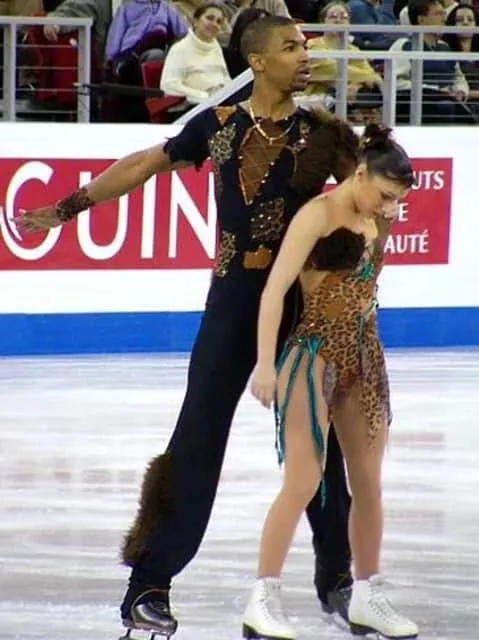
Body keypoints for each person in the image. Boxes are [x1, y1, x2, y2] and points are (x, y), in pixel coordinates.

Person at [15, 15, 359, 640]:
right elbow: (144, 163)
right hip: (233, 307)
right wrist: (68, 207)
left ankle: (338, 577)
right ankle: (149, 584)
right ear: (257, 62)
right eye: (290, 47)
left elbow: (375, 194)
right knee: (196, 439)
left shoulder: (324, 134)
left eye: (304, 46)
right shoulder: (218, 126)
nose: (305, 56)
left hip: (305, 309)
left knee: (320, 442)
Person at [243, 124, 419, 640]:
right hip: (313, 357)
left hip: (364, 358)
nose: (389, 207)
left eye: (397, 201)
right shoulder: (316, 216)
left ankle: (366, 595)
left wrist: (384, 220)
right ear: (360, 174)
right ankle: (262, 598)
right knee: (302, 481)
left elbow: (367, 280)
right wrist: (264, 364)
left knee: (368, 485)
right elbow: (274, 290)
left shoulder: (375, 218)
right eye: (384, 195)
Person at [160, 3, 231, 104]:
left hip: (220, 103)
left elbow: (226, 78)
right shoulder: (179, 49)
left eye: (219, 22)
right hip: (193, 107)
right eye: (210, 18)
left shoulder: (216, 48)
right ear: (195, 21)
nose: (215, 24)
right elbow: (168, 86)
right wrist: (205, 95)